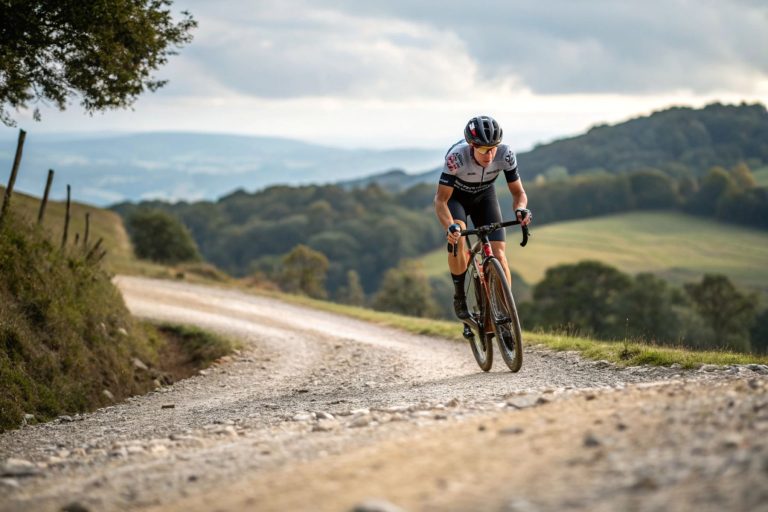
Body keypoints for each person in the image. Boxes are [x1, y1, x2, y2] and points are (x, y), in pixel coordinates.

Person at [433, 115, 532, 319]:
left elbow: (518, 193)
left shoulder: (505, 154)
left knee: (499, 254)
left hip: (485, 197)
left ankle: (506, 315)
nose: (489, 154)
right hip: (456, 199)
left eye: (493, 147)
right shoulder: (456, 157)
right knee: (459, 238)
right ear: (471, 145)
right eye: (483, 149)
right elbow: (441, 200)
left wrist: (521, 209)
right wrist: (450, 227)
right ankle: (460, 296)